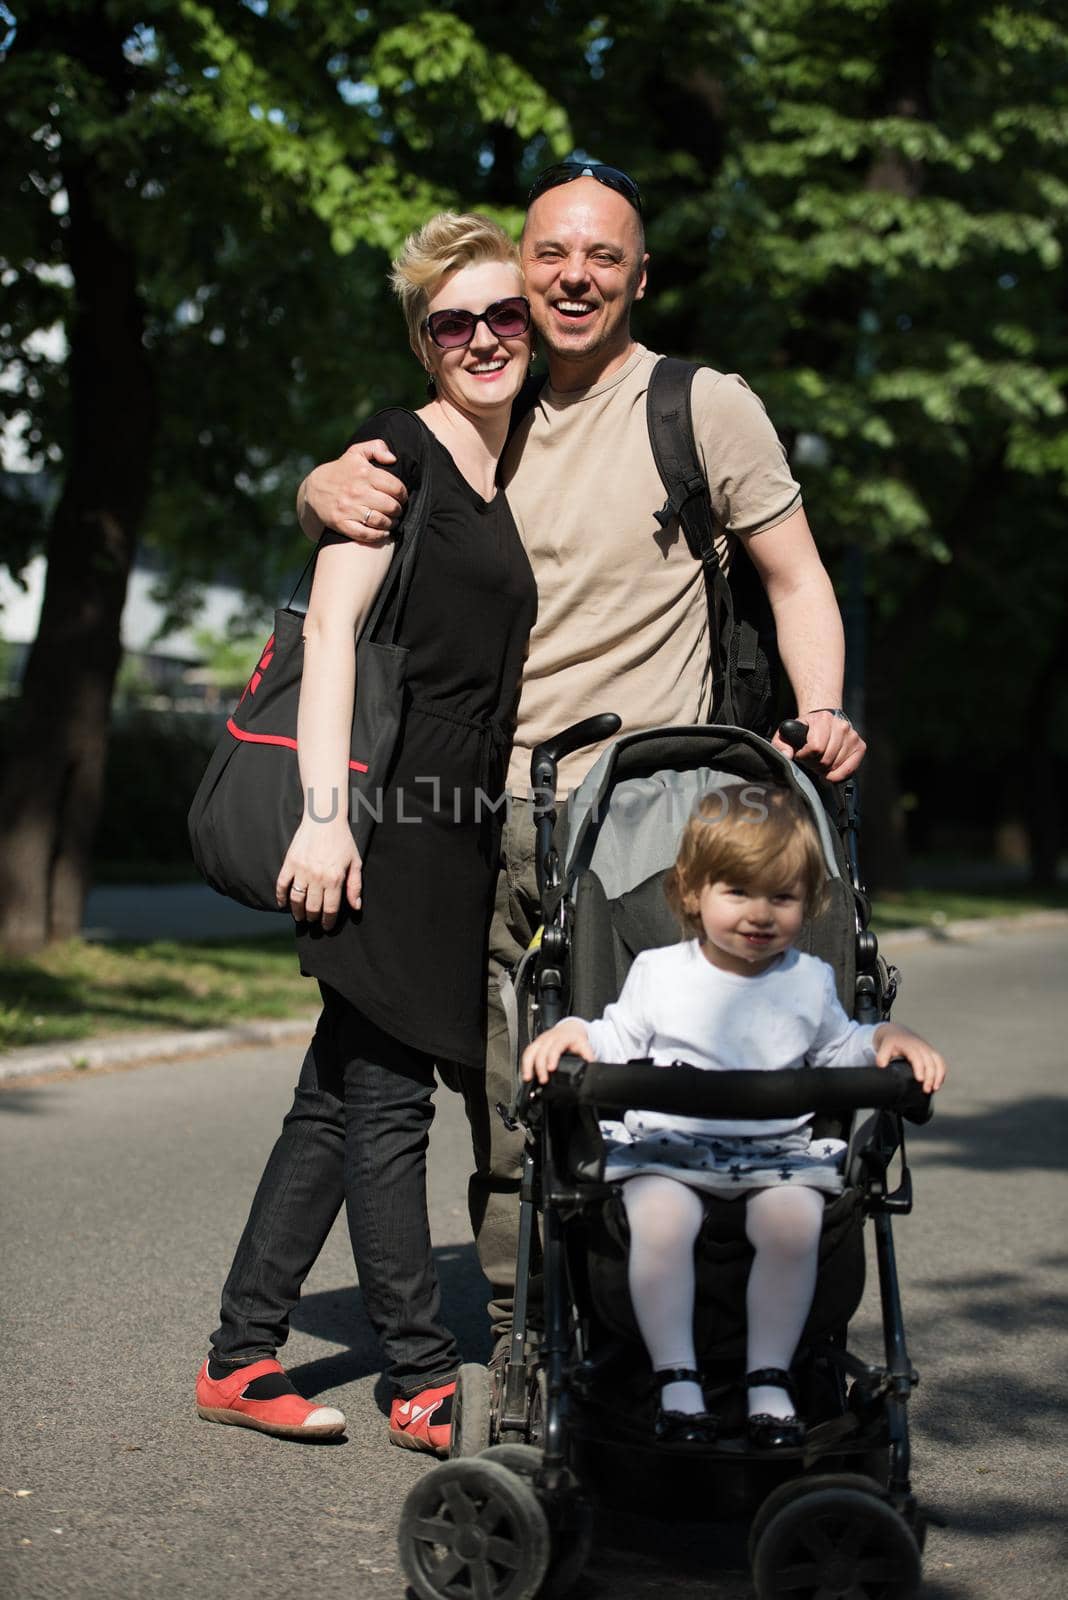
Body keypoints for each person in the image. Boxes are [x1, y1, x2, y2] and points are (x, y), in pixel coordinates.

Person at [277, 159, 869, 1362]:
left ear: (639, 275)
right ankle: (525, 1334)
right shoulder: (490, 409)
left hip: (653, 817)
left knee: (660, 1095)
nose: (572, 275)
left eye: (604, 255)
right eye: (551, 252)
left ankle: (691, 1335)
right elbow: (384, 509)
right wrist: (311, 490)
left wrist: (823, 711)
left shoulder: (699, 404)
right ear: (523, 266)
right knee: (512, 1101)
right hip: (493, 813)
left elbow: (796, 573)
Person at [194, 213, 537, 1453]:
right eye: (457, 323)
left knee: (337, 1094)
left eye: (506, 315)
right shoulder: (398, 452)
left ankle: (242, 1354)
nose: (487, 338)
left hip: (456, 829)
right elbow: (331, 631)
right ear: (423, 340)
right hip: (386, 816)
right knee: (388, 1101)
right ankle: (416, 1371)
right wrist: (330, 821)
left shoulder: (519, 461)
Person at [521, 785, 946, 1447]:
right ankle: (677, 1375)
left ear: (809, 904)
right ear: (693, 892)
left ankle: (769, 1376)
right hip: (673, 1147)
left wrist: (886, 1039)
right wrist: (573, 1031)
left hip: (773, 1152)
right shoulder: (662, 973)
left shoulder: (805, 980)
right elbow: (617, 1037)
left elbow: (838, 1047)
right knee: (661, 1218)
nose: (759, 915)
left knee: (793, 1221)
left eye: (782, 897)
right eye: (738, 893)